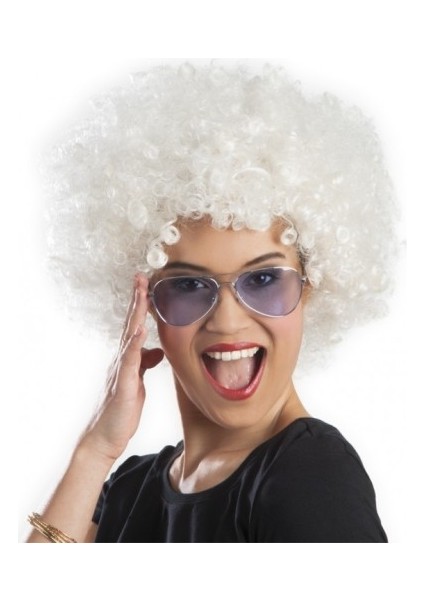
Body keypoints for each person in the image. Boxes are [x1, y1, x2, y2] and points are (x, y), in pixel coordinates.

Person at [27, 62, 397, 543]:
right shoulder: (129, 487)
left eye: (263, 279)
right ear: (147, 305)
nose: (226, 321)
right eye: (187, 285)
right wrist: (96, 448)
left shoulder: (309, 473)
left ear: (311, 287)